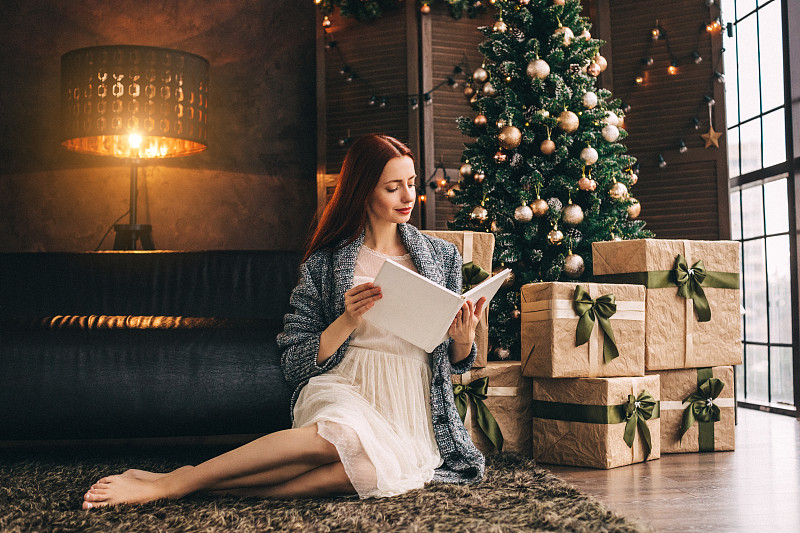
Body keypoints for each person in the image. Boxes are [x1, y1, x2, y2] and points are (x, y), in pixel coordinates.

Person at [81, 133, 485, 509]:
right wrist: (347, 319)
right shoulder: (327, 263)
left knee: (367, 471)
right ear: (363, 192)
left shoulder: (440, 258)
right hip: (351, 387)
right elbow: (296, 357)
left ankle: (201, 486)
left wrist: (463, 340)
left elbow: (453, 359)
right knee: (342, 437)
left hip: (409, 403)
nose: (408, 196)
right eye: (392, 187)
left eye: (411, 183)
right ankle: (178, 481)